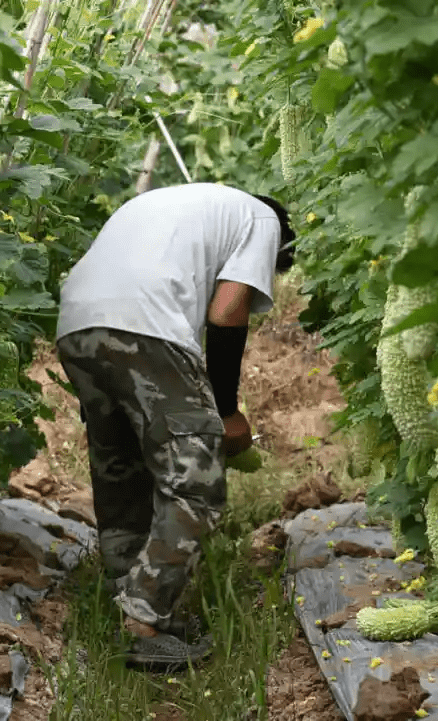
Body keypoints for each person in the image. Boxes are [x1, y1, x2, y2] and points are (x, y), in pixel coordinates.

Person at [54, 182, 296, 669]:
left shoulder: (180, 206)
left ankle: (131, 603)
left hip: (77, 325)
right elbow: (227, 309)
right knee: (196, 484)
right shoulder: (266, 222)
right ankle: (143, 622)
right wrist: (225, 411)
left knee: (120, 467)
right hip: (145, 324)